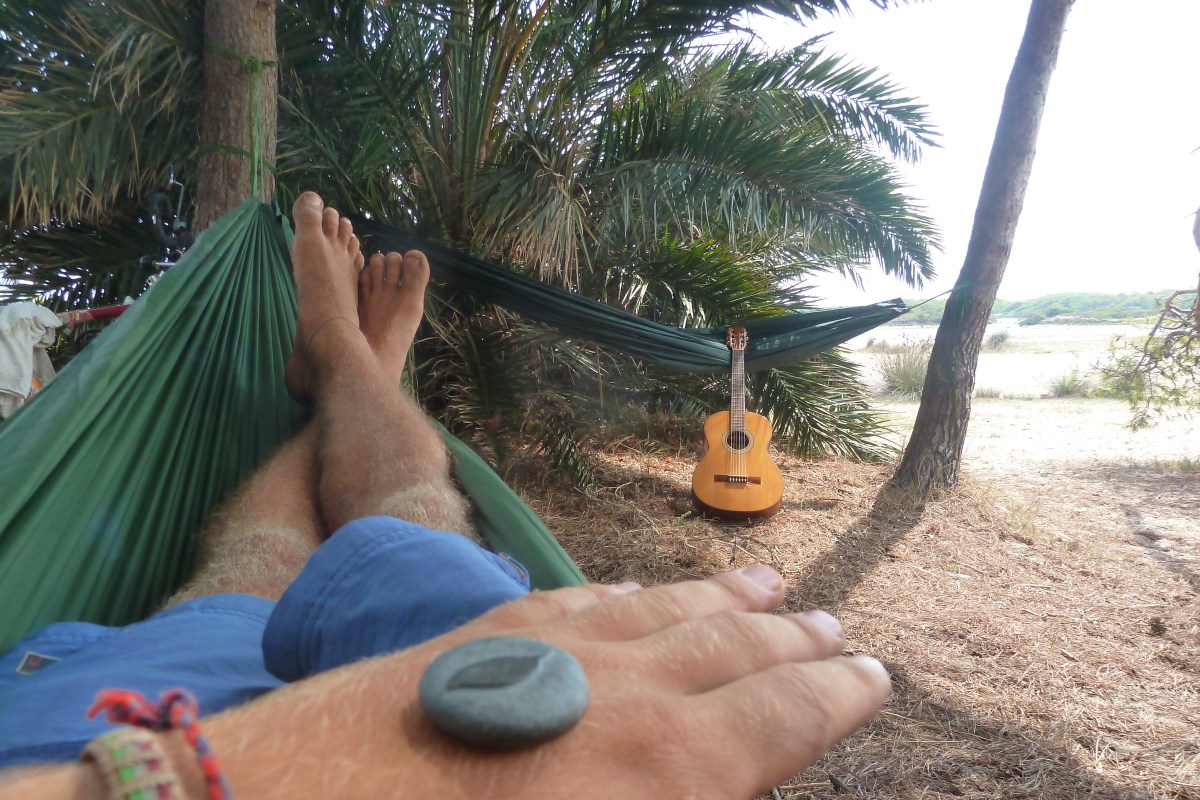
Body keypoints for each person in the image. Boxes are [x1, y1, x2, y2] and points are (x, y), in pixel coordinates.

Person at [0, 193, 891, 799]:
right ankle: (355, 362)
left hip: (89, 732)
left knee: (250, 578)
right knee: (411, 526)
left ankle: (342, 354)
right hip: (146, 731)